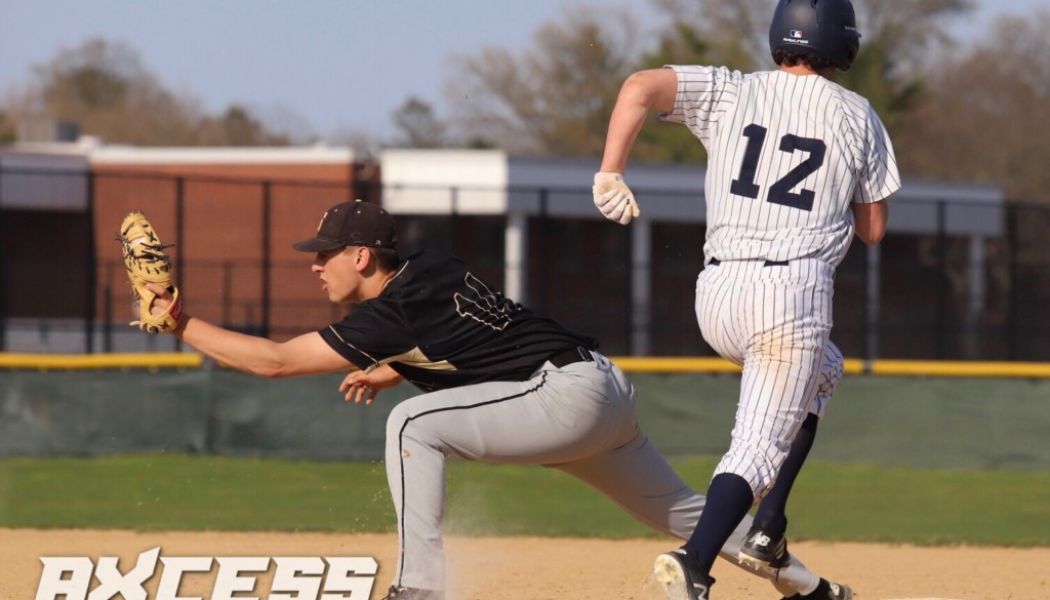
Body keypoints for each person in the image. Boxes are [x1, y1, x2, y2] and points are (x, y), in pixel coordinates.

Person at [139, 199, 855, 600]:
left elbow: (273, 363)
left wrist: (180, 322)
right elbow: (474, 336)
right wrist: (395, 364)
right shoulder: (427, 268)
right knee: (692, 518)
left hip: (565, 399)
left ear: (363, 258)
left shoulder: (392, 311)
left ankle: (417, 591)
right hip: (599, 390)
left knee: (412, 425)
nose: (317, 264)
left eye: (324, 252)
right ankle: (814, 591)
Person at [592, 0, 899, 598]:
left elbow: (638, 86)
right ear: (844, 43)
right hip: (790, 296)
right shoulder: (857, 115)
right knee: (757, 447)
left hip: (719, 294)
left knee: (824, 371)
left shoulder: (731, 91)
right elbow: (874, 229)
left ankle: (768, 529)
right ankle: (694, 563)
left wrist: (610, 171)